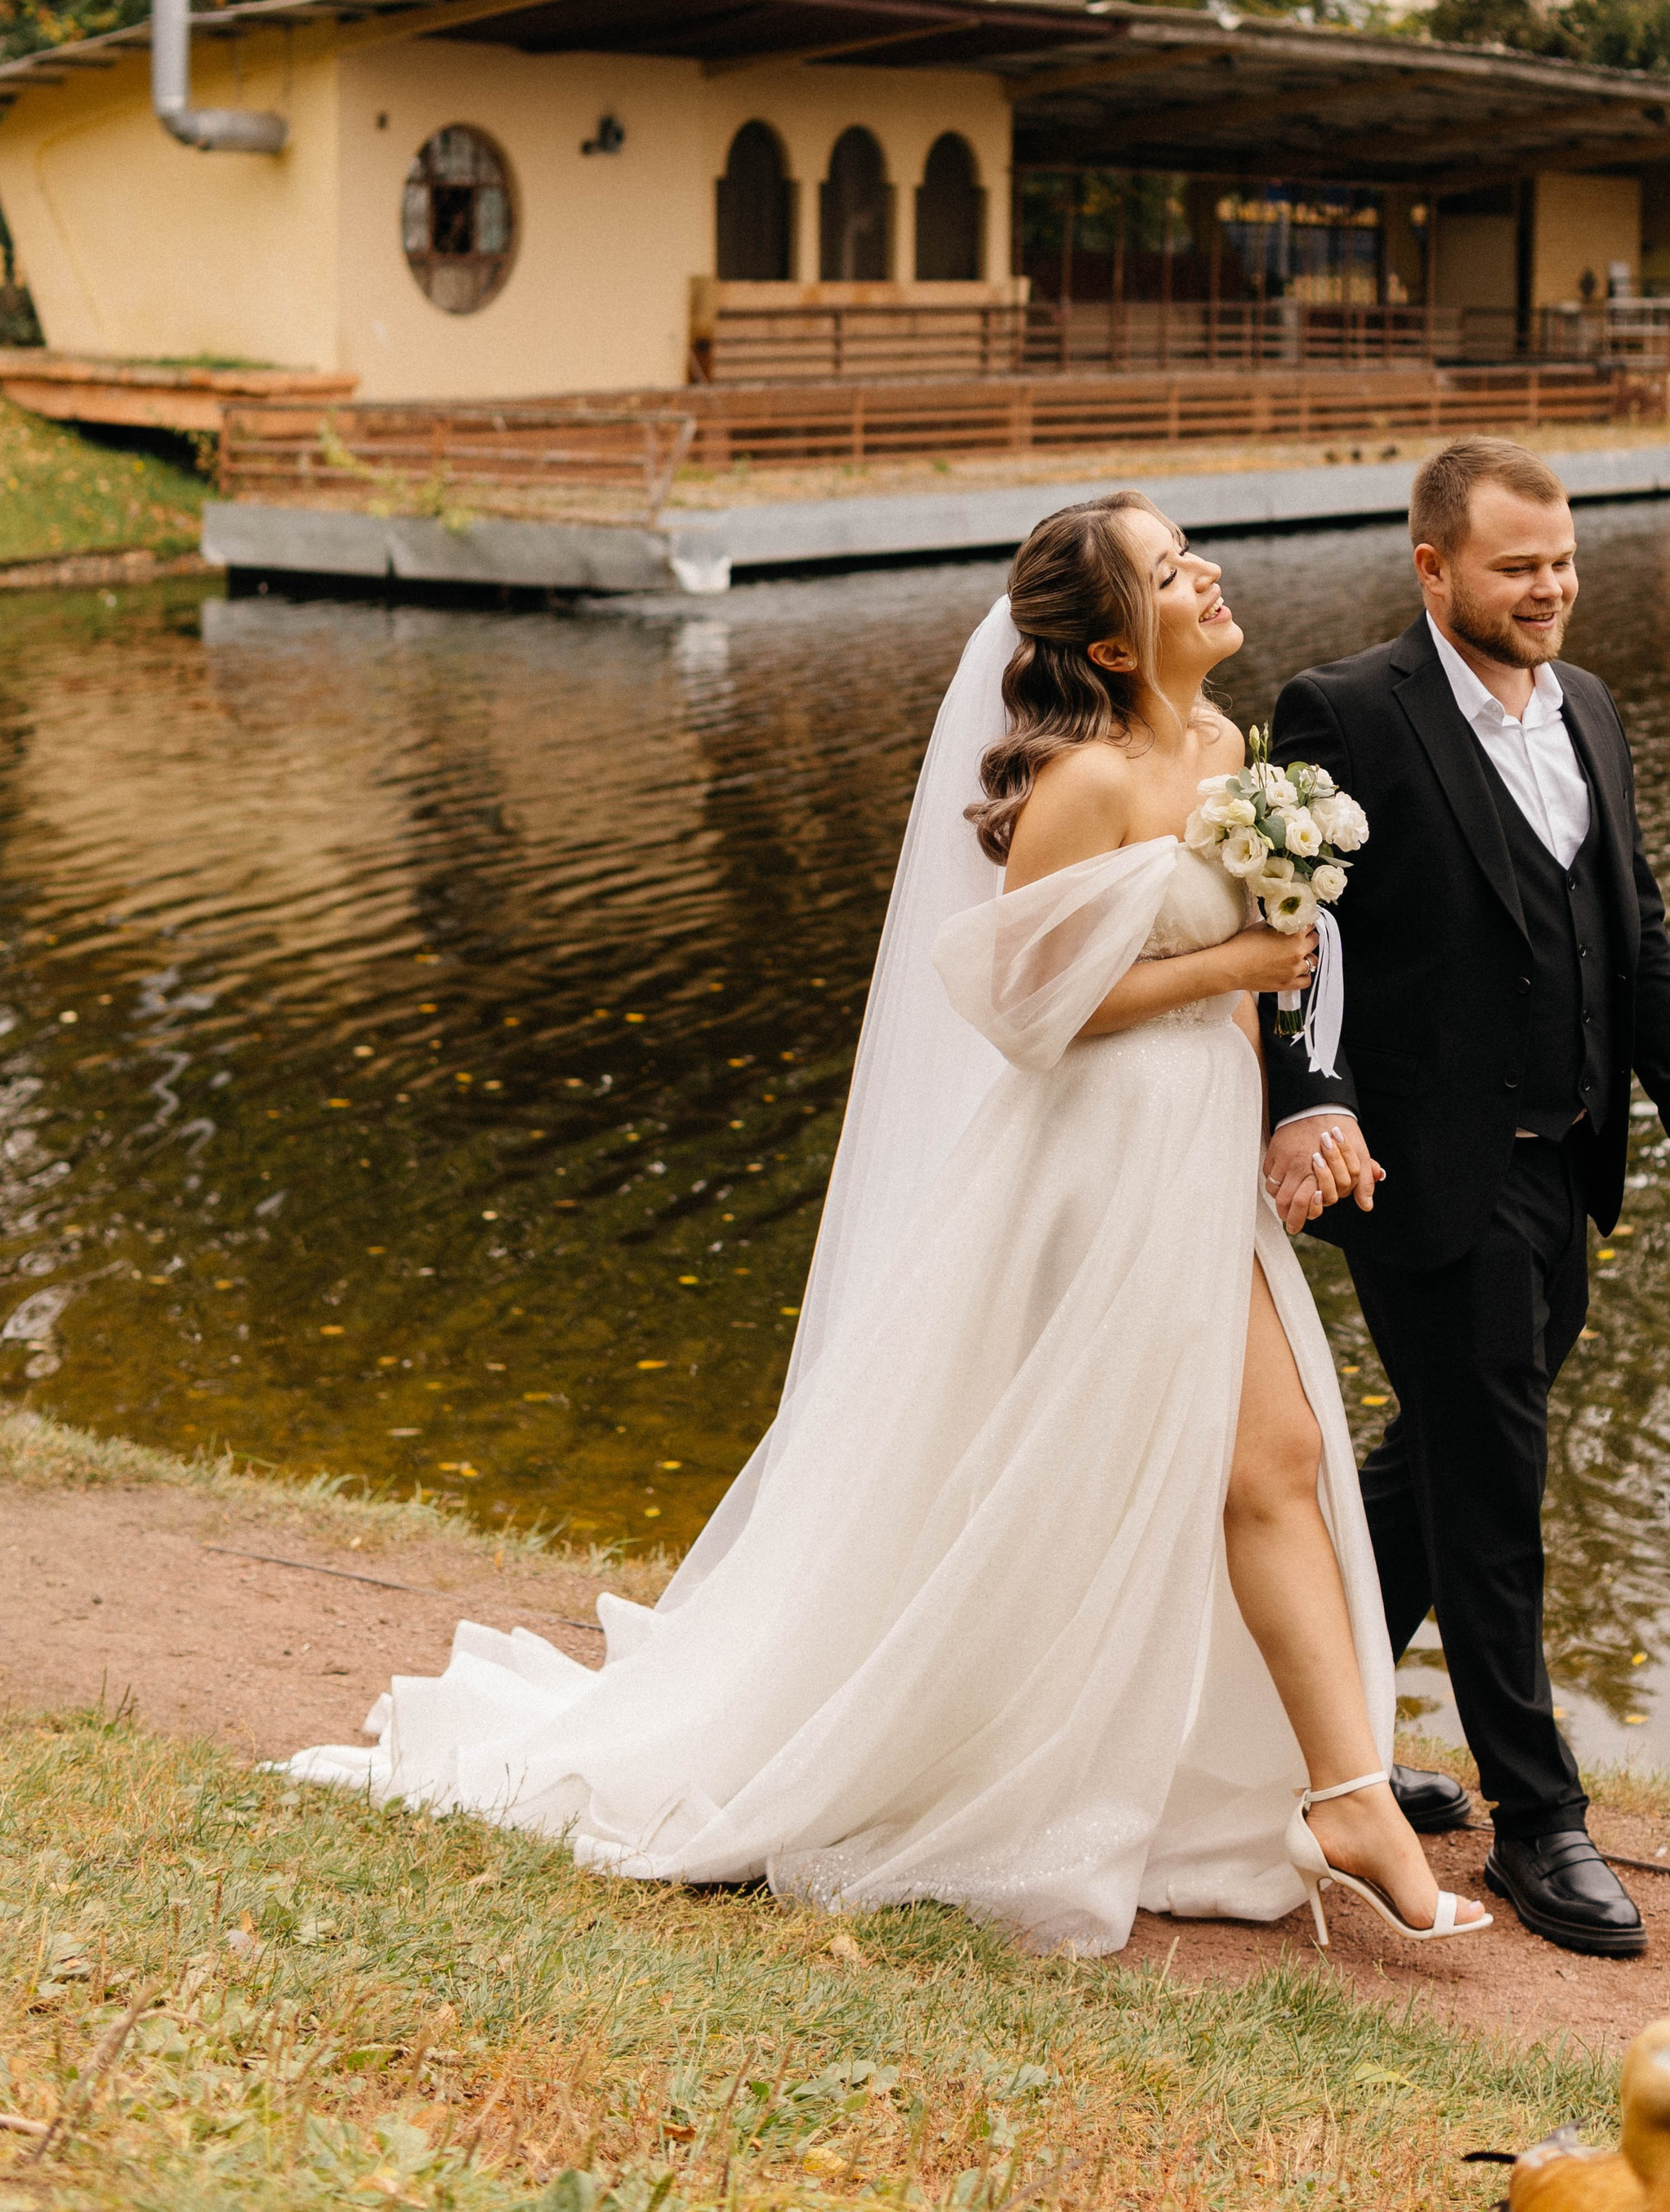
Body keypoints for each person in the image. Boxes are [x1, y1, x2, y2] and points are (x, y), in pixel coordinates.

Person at [287, 492, 1489, 1959]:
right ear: (1115, 641)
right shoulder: (1084, 782)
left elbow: (1250, 987)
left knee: (1275, 1455)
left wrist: (1269, 1116)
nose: (1211, 576)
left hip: (1196, 1159)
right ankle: (1185, 1770)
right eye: (1177, 570)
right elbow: (1031, 1011)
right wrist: (1232, 954)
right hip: (1094, 1164)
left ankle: (1341, 1788)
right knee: (1126, 1475)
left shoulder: (1231, 752)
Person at [1261, 438, 1670, 1960]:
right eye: (1518, 567)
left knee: (1443, 1455)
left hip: (1567, 1166)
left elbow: (1636, 929)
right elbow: (1293, 937)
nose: (1552, 590)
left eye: (1564, 560)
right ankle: (1541, 1822)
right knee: (1493, 1491)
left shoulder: (1589, 706)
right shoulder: (1345, 711)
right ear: (1434, 568)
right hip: (1424, 1176)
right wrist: (1311, 1099)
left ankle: (1308, 1753)